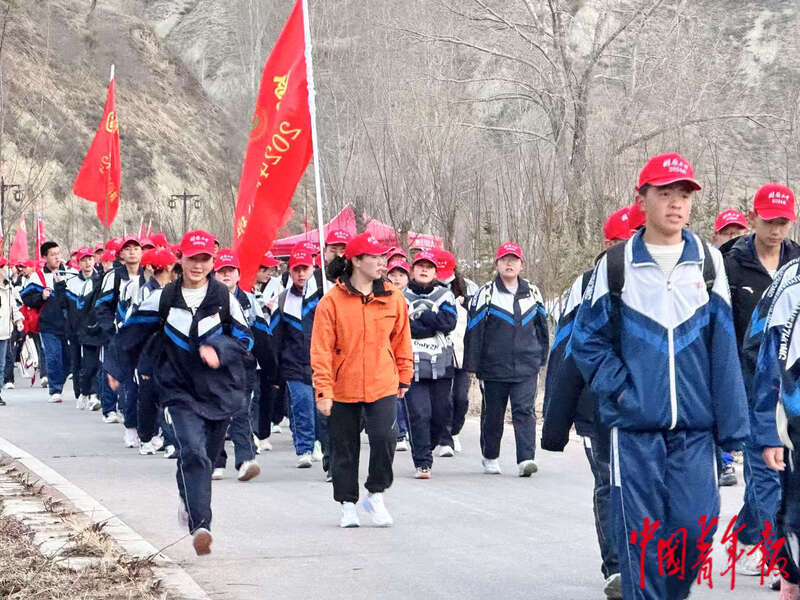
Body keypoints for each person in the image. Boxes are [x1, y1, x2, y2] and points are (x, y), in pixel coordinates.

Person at [570, 153, 749, 600]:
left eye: (683, 194)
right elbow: (585, 341)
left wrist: (733, 427)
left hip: (695, 430)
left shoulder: (709, 262)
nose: (676, 203)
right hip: (634, 431)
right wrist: (621, 391)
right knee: (641, 541)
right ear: (642, 199)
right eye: (665, 193)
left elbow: (724, 349)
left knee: (696, 529)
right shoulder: (616, 265)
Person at [105, 230, 254, 556]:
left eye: (205, 259)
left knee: (206, 456)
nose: (198, 265)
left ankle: (189, 500)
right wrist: (116, 369)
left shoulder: (224, 298)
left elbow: (245, 339)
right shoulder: (164, 298)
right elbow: (131, 333)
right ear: (180, 259)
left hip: (219, 391)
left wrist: (219, 349)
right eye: (192, 258)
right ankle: (201, 526)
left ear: (213, 261)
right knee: (193, 451)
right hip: (177, 390)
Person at [541, 206, 631, 600]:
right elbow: (566, 349)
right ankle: (617, 567)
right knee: (609, 482)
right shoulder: (588, 285)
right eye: (624, 240)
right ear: (608, 244)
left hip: (649, 407)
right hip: (596, 405)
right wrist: (557, 417)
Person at [722, 183, 800, 575]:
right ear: (753, 218)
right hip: (745, 383)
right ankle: (779, 560)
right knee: (768, 472)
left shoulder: (797, 264)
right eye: (769, 221)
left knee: (776, 474)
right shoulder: (728, 265)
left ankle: (746, 534)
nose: (776, 229)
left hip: (790, 387)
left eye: (783, 222)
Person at [310, 232, 413, 527]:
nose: (382, 263)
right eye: (375, 257)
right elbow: (321, 350)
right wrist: (323, 390)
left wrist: (404, 375)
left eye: (383, 257)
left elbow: (401, 341)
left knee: (385, 438)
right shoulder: (331, 302)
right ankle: (347, 504)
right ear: (356, 260)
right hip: (343, 386)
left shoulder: (393, 297)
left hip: (383, 382)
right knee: (344, 447)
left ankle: (376, 493)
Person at [464, 242, 548, 477]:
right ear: (497, 264)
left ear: (522, 264)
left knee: (524, 410)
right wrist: (472, 364)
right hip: (493, 367)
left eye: (514, 260)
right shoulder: (486, 293)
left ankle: (526, 459)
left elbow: (542, 327)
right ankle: (490, 456)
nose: (509, 264)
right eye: (505, 260)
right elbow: (474, 330)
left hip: (527, 365)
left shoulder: (533, 292)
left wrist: (542, 357)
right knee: (493, 414)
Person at [211, 249, 269, 482]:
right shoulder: (205, 300)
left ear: (238, 274)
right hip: (213, 366)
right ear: (214, 274)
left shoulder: (250, 301)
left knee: (240, 411)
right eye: (221, 271)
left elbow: (262, 336)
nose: (226, 275)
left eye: (230, 271)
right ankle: (216, 461)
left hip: (243, 366)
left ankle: (245, 460)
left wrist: (269, 368)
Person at [403, 250, 457, 478]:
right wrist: (429, 325)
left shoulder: (445, 295)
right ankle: (422, 461)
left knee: (440, 415)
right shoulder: (401, 296)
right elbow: (402, 326)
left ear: (435, 272)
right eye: (420, 266)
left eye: (429, 267)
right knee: (419, 414)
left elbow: (448, 322)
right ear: (412, 271)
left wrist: (423, 317)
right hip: (412, 364)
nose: (424, 270)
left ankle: (429, 443)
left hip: (441, 365)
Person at [272, 245, 320, 468]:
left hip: (321, 362)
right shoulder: (283, 300)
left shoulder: (324, 296)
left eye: (305, 269)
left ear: (313, 269)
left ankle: (320, 442)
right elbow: (275, 337)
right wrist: (276, 368)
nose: (301, 274)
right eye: (296, 269)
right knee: (302, 405)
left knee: (321, 408)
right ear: (290, 272)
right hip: (294, 364)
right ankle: (304, 448)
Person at [94, 235, 145, 442]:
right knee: (126, 381)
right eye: (128, 249)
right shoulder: (114, 276)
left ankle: (150, 429)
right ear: (121, 254)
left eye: (136, 248)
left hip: (146, 338)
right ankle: (129, 424)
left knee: (147, 383)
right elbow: (102, 306)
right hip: (121, 337)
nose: (132, 252)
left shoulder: (149, 275)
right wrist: (111, 330)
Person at [132, 247, 178, 457]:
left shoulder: (175, 290)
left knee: (169, 395)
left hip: (169, 351)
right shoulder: (145, 291)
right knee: (148, 396)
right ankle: (145, 437)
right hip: (148, 350)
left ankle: (169, 440)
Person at [432, 248, 472, 453]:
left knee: (461, 398)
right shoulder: (429, 291)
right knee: (444, 399)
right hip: (440, 352)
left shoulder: (468, 290)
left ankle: (455, 430)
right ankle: (445, 439)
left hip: (462, 352)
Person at [21, 241, 68, 403]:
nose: (57, 257)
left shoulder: (70, 273)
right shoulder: (37, 277)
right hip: (48, 324)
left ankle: (62, 381)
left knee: (68, 359)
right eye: (53, 254)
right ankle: (55, 390)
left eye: (58, 253)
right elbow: (26, 298)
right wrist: (41, 296)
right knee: (53, 356)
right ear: (45, 257)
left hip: (69, 324)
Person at [65, 247, 102, 412]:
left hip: (92, 330)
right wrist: (59, 288)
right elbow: (65, 306)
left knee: (91, 363)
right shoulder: (71, 282)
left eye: (90, 259)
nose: (88, 263)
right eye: (84, 260)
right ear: (78, 263)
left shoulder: (100, 280)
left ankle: (93, 393)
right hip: (74, 329)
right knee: (76, 362)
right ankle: (80, 392)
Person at [386, 258, 411, 451]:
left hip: (415, 353)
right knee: (396, 397)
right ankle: (400, 432)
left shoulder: (412, 297)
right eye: (393, 275)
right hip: (390, 355)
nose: (396, 279)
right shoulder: (384, 298)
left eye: (401, 275)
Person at [0, 258, 23, 406]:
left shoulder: (9, 287)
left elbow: (14, 306)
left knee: (1, 365)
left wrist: (18, 320)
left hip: (4, 330)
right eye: (4, 267)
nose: (7, 270)